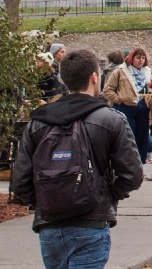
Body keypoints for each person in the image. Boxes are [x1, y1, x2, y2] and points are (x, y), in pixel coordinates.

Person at [11, 48, 144, 269]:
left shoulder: (38, 122)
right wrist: (106, 195)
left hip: (50, 225)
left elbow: (20, 181)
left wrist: (45, 200)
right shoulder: (111, 119)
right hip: (90, 221)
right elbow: (133, 175)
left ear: (63, 79)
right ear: (94, 77)